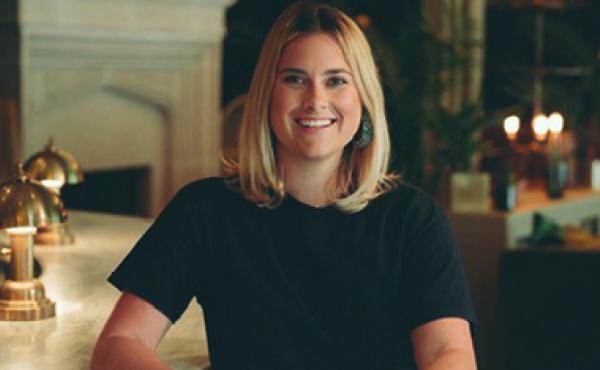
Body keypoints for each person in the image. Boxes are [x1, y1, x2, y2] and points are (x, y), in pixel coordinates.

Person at [91, 2, 477, 370]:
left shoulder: (412, 219)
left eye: (336, 81)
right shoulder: (204, 211)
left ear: (363, 100)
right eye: (294, 79)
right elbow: (120, 343)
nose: (315, 100)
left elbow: (450, 353)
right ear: (267, 96)